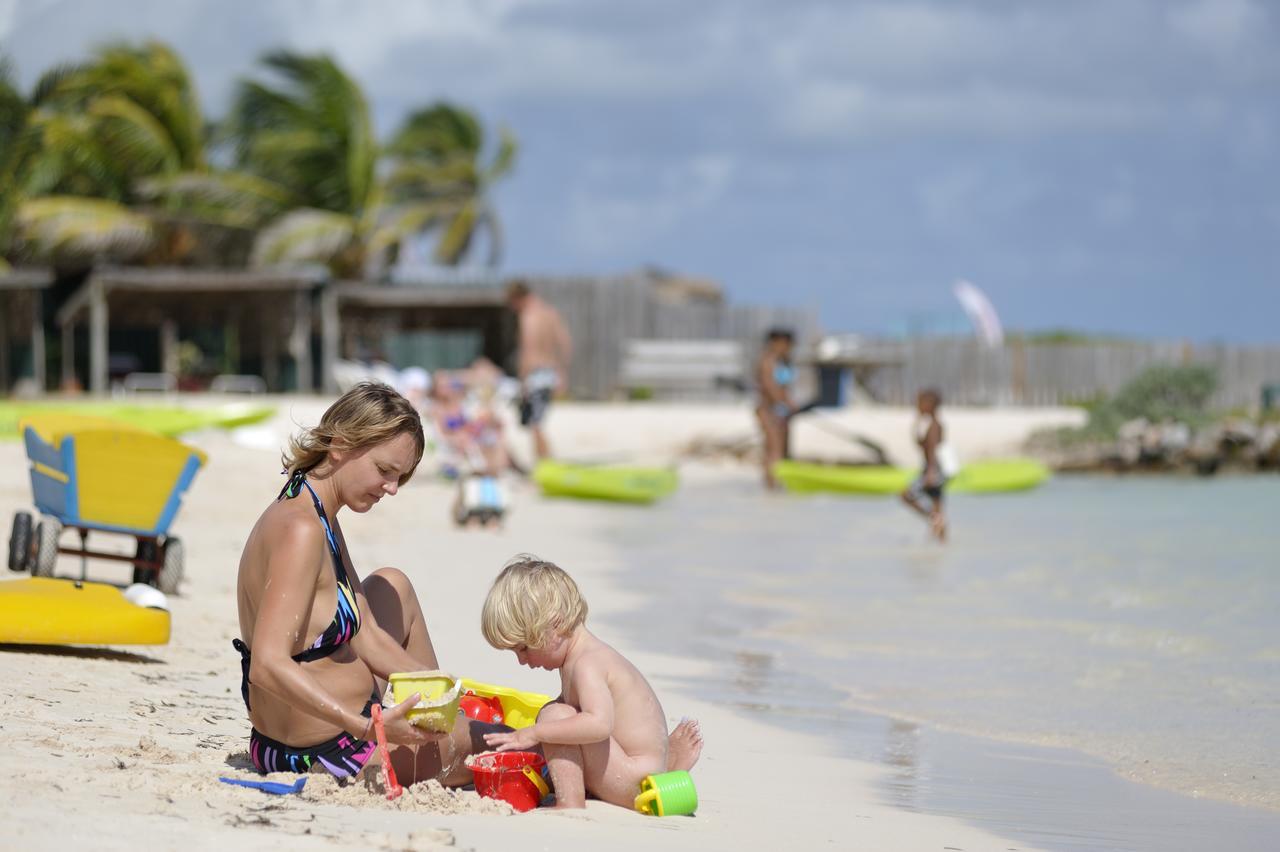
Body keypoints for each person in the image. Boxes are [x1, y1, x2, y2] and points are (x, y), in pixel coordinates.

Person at [233, 382, 489, 784]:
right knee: (500, 742)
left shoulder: (316, 509)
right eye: (385, 470)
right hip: (330, 753)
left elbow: (365, 632)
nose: (391, 488)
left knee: (392, 584)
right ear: (339, 444)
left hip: (320, 737)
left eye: (400, 478)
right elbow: (266, 665)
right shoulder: (302, 530)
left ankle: (431, 712)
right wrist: (364, 726)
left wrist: (442, 691)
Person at [480, 556, 703, 809]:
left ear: (555, 625)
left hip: (634, 782)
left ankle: (570, 802)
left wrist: (534, 732)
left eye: (523, 648)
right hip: (638, 768)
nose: (522, 661)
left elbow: (599, 724)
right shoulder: (575, 659)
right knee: (555, 712)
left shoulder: (588, 664)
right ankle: (667, 763)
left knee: (554, 717)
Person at [506, 280, 572, 460]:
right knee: (538, 421)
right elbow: (565, 342)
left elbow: (528, 349)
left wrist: (523, 379)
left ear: (518, 298)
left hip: (534, 374)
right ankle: (546, 460)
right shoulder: (550, 312)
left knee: (535, 424)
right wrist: (561, 372)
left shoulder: (528, 316)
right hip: (551, 372)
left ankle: (544, 463)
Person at [900, 388, 959, 541]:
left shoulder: (934, 426)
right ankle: (941, 541)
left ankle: (933, 520)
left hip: (933, 470)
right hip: (934, 470)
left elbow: (933, 450)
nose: (918, 407)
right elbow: (922, 445)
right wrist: (917, 422)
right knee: (937, 506)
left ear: (929, 406)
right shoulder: (934, 424)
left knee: (906, 496)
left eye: (920, 404)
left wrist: (930, 473)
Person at [755, 328, 797, 489]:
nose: (787, 347)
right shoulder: (768, 361)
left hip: (781, 411)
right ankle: (770, 484)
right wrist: (786, 402)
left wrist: (787, 404)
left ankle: (779, 481)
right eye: (785, 343)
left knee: (783, 447)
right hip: (768, 410)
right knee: (774, 448)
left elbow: (784, 386)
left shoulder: (783, 361)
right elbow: (770, 387)